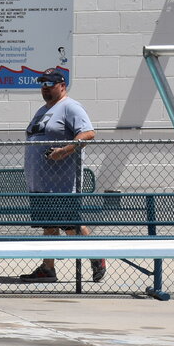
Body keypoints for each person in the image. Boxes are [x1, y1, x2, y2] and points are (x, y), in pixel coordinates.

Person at [21, 70, 103, 282]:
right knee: (49, 226)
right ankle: (48, 269)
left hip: (61, 184)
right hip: (40, 183)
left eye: (50, 82)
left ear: (62, 85)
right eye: (42, 83)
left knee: (70, 224)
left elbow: (88, 133)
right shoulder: (42, 110)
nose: (45, 86)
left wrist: (63, 151)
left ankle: (96, 256)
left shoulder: (70, 106)